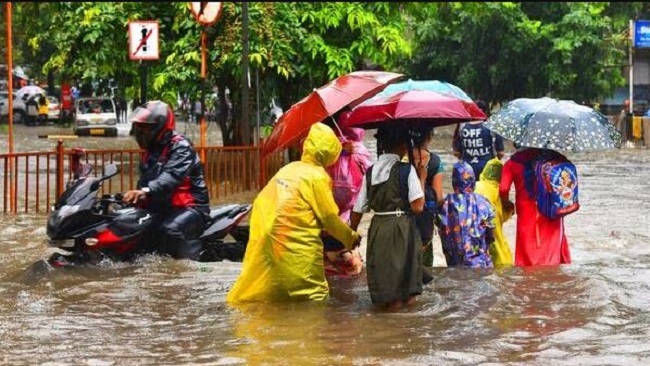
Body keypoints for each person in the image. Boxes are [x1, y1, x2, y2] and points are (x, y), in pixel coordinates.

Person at [227, 122, 361, 303]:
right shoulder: (317, 177)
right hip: (297, 248)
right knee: (314, 298)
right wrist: (351, 238)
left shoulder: (288, 169)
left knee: (269, 296)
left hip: (268, 242)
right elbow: (329, 218)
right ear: (330, 153)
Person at [349, 125, 427, 311]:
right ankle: (400, 332)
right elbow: (418, 207)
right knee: (405, 292)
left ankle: (387, 331)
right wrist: (421, 177)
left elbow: (358, 210)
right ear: (402, 146)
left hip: (378, 229)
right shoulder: (406, 170)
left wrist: (351, 236)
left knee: (387, 286)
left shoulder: (371, 172)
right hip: (401, 230)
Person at [122, 100, 211, 260]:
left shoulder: (180, 147)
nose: (140, 131)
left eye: (145, 127)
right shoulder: (151, 151)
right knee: (131, 228)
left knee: (169, 230)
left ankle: (188, 268)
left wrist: (145, 191)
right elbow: (145, 181)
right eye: (139, 127)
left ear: (159, 125)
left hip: (190, 208)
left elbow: (171, 176)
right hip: (162, 208)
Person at [499, 146, 571, 266]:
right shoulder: (556, 158)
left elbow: (503, 188)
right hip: (551, 209)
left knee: (528, 247)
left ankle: (531, 278)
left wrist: (507, 203)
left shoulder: (513, 162)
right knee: (551, 246)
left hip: (526, 210)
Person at [322, 124, 372, 276]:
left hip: (323, 227)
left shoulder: (321, 152)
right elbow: (371, 179)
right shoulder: (359, 151)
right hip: (345, 226)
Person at [437, 161, 495, 268]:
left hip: (456, 263)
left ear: (454, 181)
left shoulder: (447, 203)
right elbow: (490, 233)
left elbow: (442, 229)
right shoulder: (484, 201)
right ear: (473, 180)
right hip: (480, 263)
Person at [405, 126, 445, 268]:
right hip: (425, 219)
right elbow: (438, 197)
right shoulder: (435, 161)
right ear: (429, 138)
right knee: (425, 267)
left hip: (403, 216)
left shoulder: (403, 159)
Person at [474, 158, 514, 266]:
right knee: (499, 253)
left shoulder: (475, 185)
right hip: (492, 230)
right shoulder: (498, 191)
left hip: (474, 230)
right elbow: (503, 215)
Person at [452, 100, 504, 179]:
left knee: (468, 190)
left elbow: (456, 152)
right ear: (485, 112)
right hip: (488, 169)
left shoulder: (461, 126)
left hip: (467, 170)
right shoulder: (492, 127)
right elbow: (501, 153)